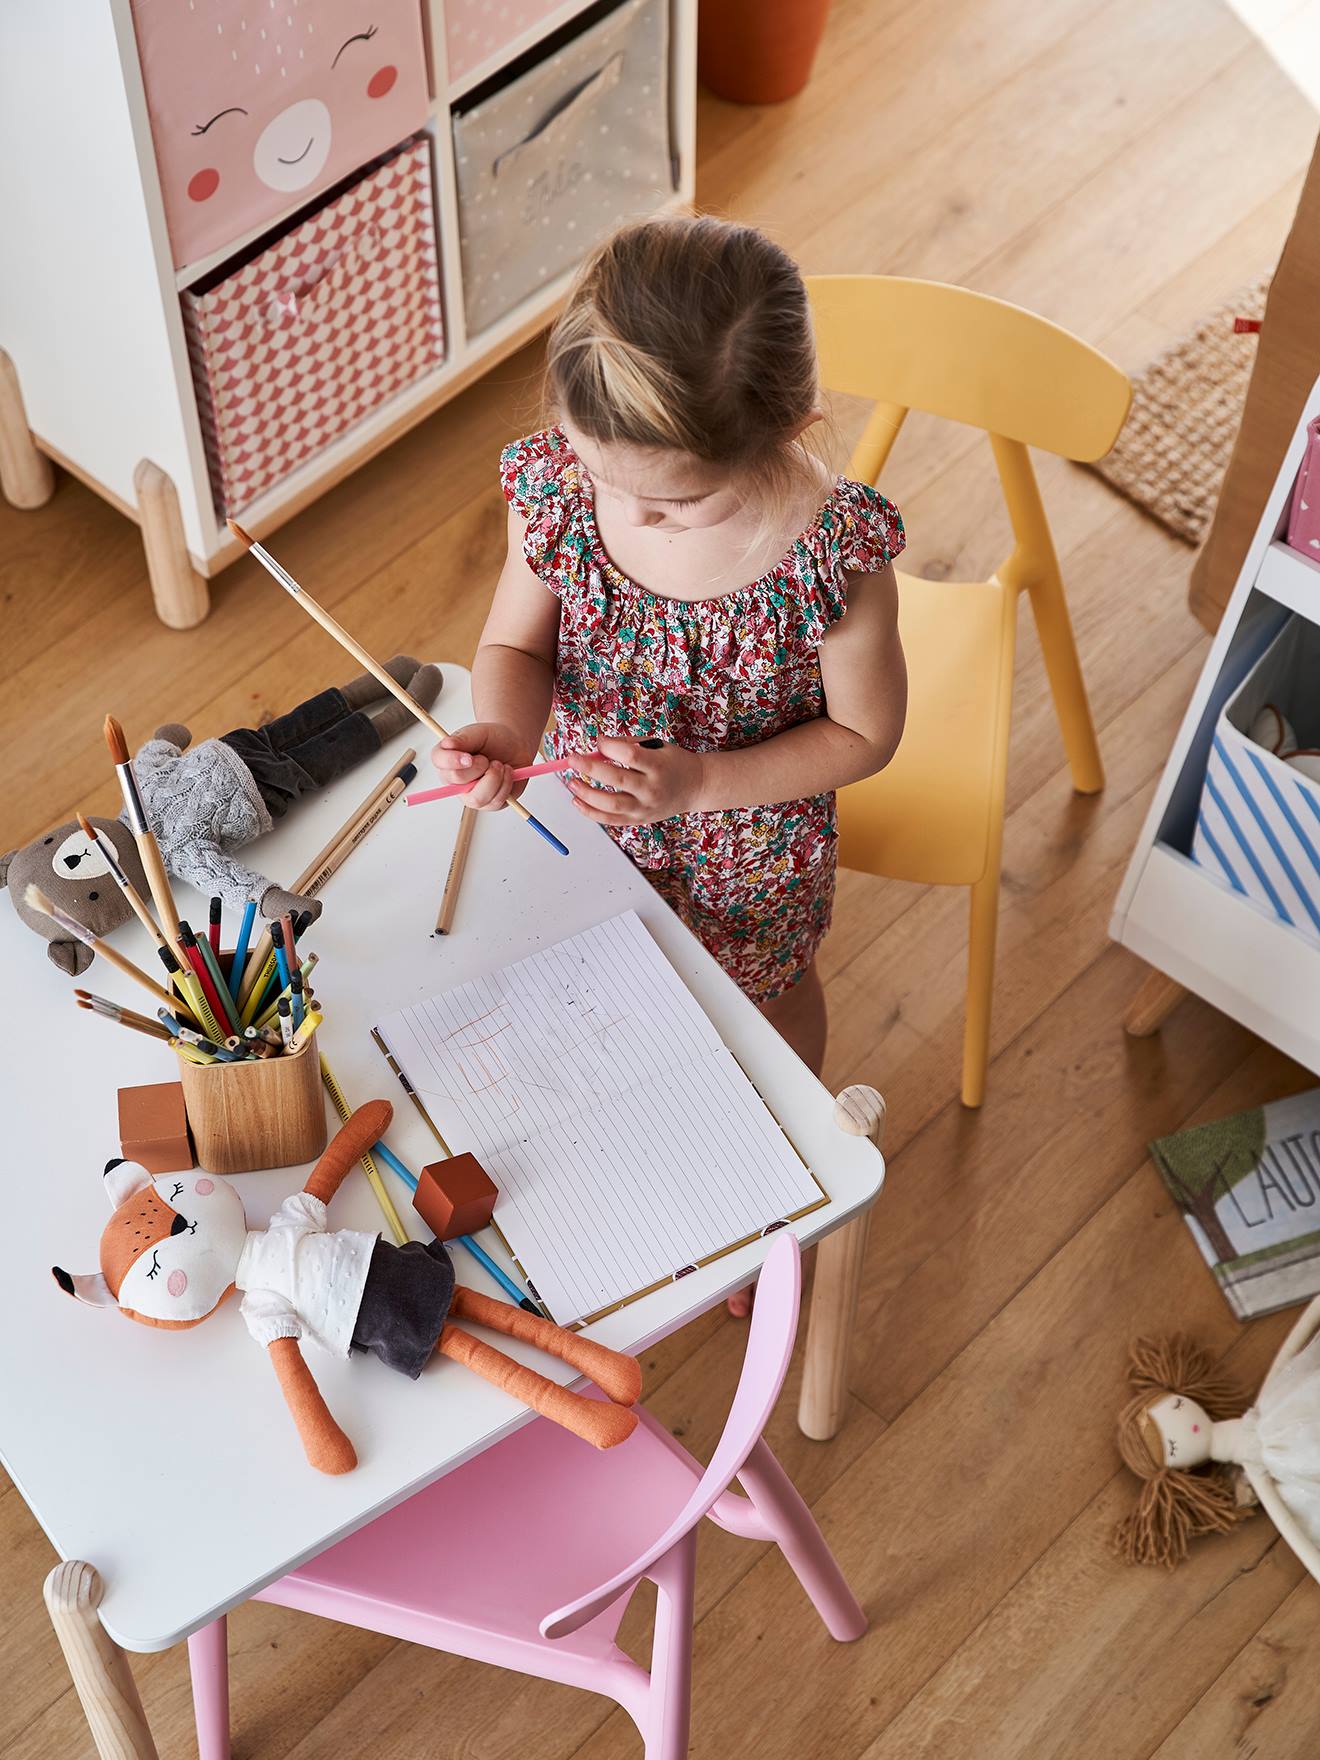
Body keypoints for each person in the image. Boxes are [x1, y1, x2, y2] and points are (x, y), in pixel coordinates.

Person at [434, 218, 907, 1308]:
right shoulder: (562, 492)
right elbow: (515, 646)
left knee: (770, 993)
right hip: (593, 824)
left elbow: (864, 736)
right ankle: (645, 1139)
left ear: (789, 429)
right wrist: (506, 732)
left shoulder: (832, 560)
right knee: (609, 988)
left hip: (750, 841)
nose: (635, 513)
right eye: (608, 477)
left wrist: (699, 783)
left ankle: (774, 1180)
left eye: (680, 499)